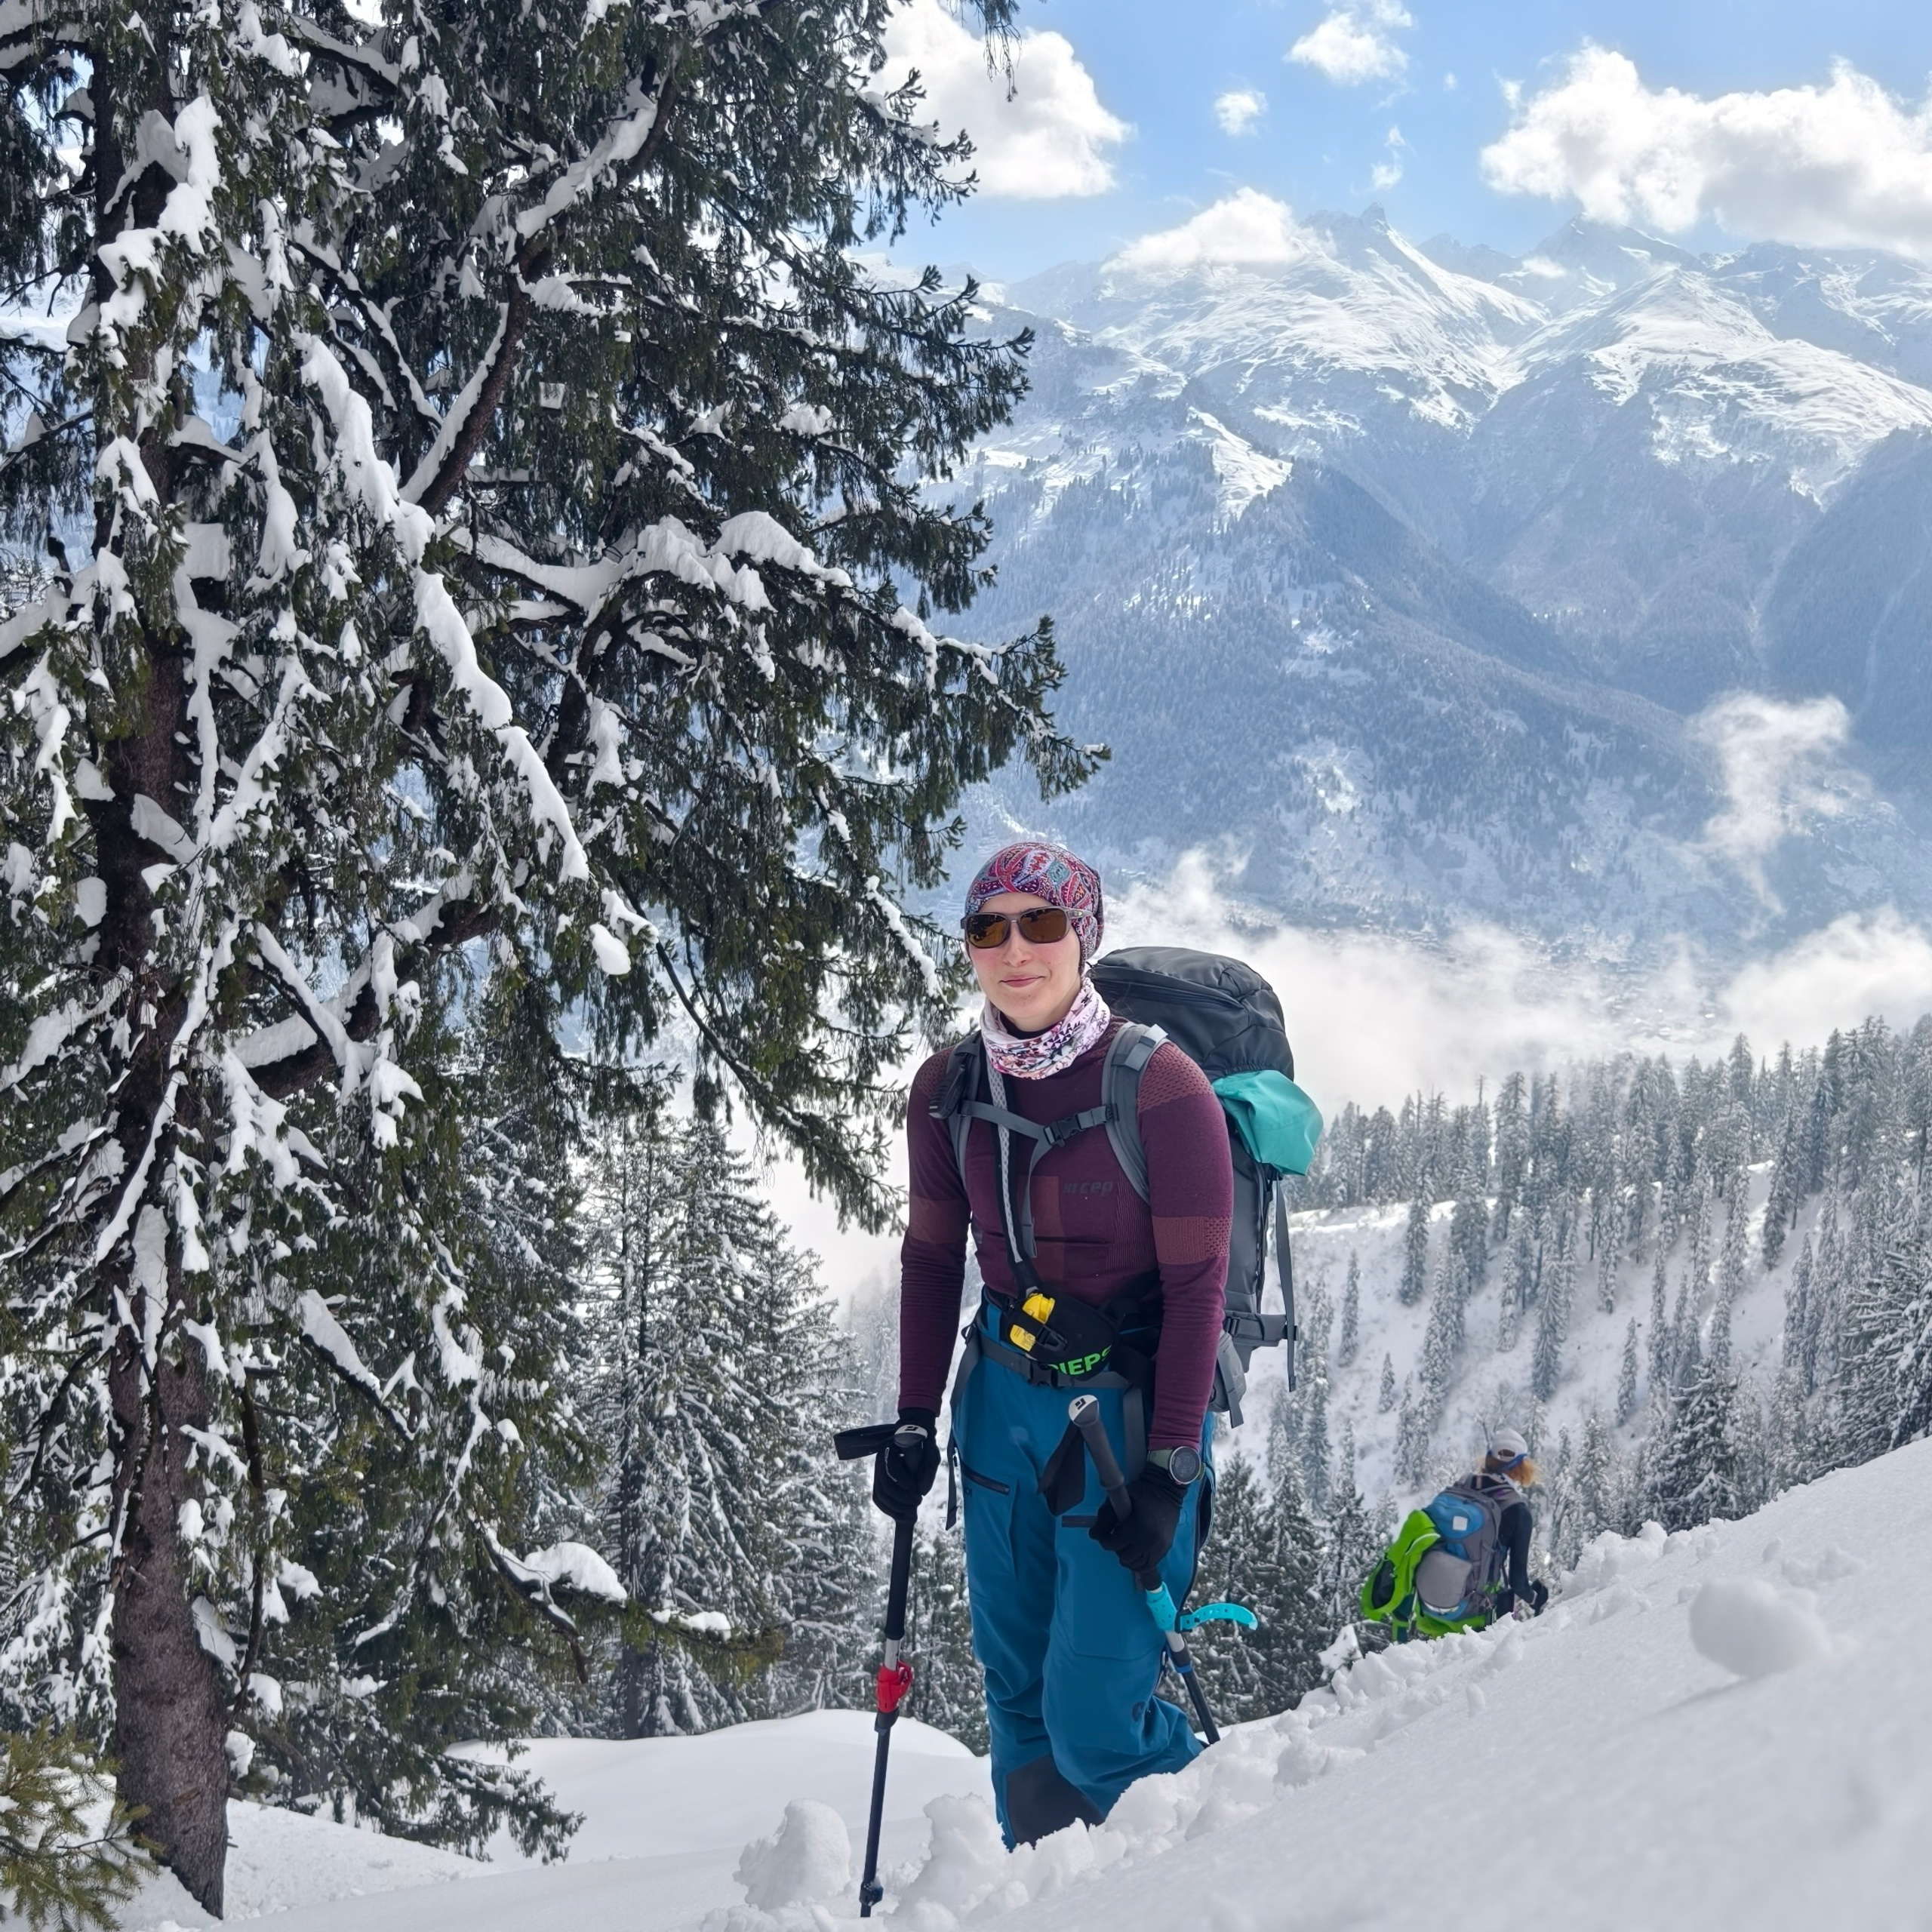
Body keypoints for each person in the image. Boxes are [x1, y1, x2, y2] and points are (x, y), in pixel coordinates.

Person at [875, 841, 1232, 1848]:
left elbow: (1199, 1287)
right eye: (989, 927)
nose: (1015, 949)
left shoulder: (1163, 1090)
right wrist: (911, 1420)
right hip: (998, 1414)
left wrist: (1171, 1469)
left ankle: (1251, 1855)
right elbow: (934, 1257)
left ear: (1086, 934)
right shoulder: (946, 1087)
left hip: (1125, 1424)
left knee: (1095, 1730)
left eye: (1043, 923)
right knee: (1023, 1722)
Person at [1473, 1427, 1549, 1620]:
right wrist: (1535, 1598)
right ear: (1522, 1466)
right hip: (1479, 1609)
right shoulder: (1517, 1510)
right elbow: (1518, 1582)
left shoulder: (1463, 1488)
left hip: (1436, 1602)